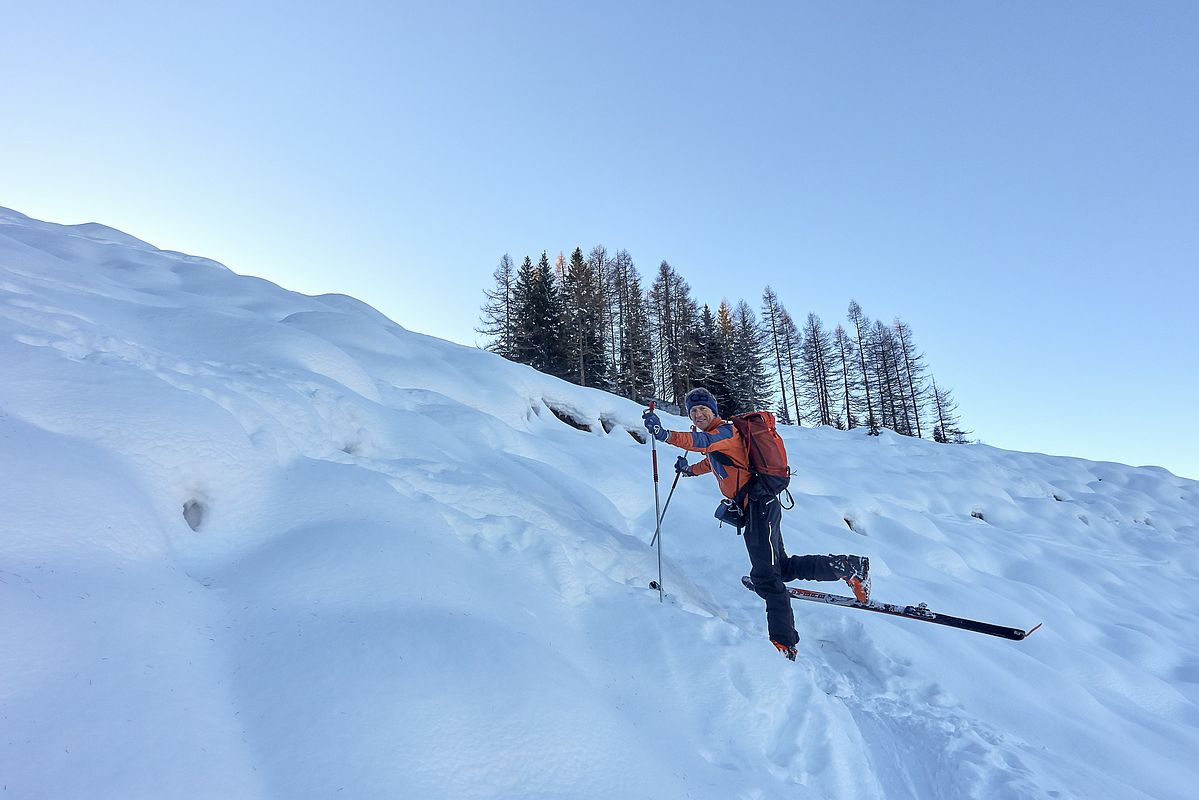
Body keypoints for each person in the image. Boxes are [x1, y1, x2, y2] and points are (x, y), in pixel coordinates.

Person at [643, 386, 871, 661]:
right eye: (693, 410)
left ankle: (783, 644)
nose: (699, 413)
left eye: (703, 409)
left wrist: (664, 434)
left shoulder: (725, 431)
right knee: (781, 567)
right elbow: (712, 461)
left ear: (713, 410)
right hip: (755, 507)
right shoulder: (716, 439)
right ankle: (848, 567)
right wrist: (688, 470)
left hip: (759, 505)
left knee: (767, 577)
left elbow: (701, 443)